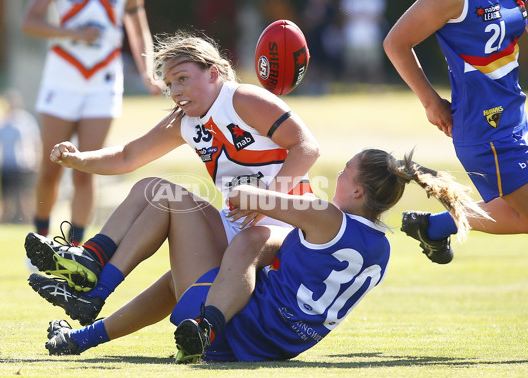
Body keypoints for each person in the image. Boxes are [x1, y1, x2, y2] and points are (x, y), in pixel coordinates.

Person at [39, 149, 490, 362]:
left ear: (356, 190)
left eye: (345, 172)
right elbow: (289, 257)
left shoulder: (326, 216)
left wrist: (260, 182)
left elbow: (243, 196)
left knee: (164, 194)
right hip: (275, 345)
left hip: (237, 329)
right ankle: (85, 336)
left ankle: (97, 284)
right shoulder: (382, 248)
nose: (336, 177)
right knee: (228, 259)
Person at [24, 31, 321, 330]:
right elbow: (128, 156)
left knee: (163, 196)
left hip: (283, 234)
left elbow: (307, 147)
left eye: (182, 78)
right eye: (168, 85)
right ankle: (91, 259)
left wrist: (266, 201)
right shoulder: (184, 121)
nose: (175, 91)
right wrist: (79, 159)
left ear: (212, 73)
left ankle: (95, 290)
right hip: (236, 230)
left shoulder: (243, 98)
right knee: (149, 188)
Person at [383, 0, 528, 264]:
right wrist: (430, 103)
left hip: (517, 119)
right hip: (485, 134)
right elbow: (395, 43)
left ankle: (434, 226)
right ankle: (436, 226)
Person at [22, 0, 163, 244]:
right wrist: (73, 33)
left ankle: (74, 246)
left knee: (86, 167)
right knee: (50, 168)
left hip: (103, 82)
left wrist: (147, 73)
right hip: (61, 79)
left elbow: (139, 30)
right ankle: (40, 237)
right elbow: (30, 23)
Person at [0, 90, 41, 224]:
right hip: (6, 164)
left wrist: (37, 160)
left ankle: (30, 223)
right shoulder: (1, 123)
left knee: (25, 196)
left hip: (24, 164)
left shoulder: (26, 121)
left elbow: (35, 142)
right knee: (5, 197)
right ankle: (4, 222)